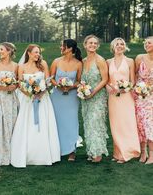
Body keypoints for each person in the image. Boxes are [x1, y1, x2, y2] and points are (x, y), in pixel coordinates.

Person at [11, 44, 60, 167]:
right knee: (27, 124)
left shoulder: (43, 64)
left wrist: (40, 93)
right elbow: (20, 84)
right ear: (29, 53)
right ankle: (26, 154)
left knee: (43, 123)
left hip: (43, 99)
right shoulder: (21, 67)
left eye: (39, 52)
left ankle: (43, 154)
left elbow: (48, 81)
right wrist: (30, 94)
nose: (38, 55)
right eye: (35, 52)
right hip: (27, 100)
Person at [107, 38, 140, 163]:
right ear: (113, 46)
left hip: (126, 97)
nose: (119, 46)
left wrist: (126, 88)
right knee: (115, 125)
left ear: (125, 47)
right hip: (113, 97)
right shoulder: (108, 61)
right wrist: (108, 87)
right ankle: (117, 153)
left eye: (122, 44)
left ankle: (127, 153)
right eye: (117, 44)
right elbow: (106, 79)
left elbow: (133, 80)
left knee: (126, 124)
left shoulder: (130, 61)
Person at [50, 39, 82, 161]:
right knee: (57, 122)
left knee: (71, 122)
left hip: (71, 97)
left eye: (63, 46)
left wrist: (71, 86)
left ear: (69, 49)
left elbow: (78, 80)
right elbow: (51, 78)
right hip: (57, 96)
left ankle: (71, 151)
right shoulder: (56, 61)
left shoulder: (78, 64)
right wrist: (58, 85)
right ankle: (57, 149)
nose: (61, 48)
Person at [81, 34, 108, 163]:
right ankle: (91, 151)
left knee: (95, 123)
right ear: (85, 45)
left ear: (97, 46)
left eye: (95, 43)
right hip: (85, 98)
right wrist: (83, 91)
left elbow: (105, 80)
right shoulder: (84, 61)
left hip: (98, 97)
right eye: (90, 43)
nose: (92, 45)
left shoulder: (100, 60)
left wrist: (92, 92)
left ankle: (97, 153)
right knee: (88, 124)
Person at [135, 36, 153, 164]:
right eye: (145, 43)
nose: (146, 45)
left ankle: (152, 155)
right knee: (140, 124)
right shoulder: (139, 58)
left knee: (150, 125)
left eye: (149, 43)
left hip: (152, 98)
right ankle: (143, 152)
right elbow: (135, 75)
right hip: (140, 97)